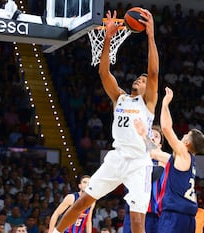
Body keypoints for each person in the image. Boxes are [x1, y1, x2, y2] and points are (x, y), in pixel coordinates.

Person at [53, 8, 159, 233]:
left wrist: (150, 36)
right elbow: (104, 72)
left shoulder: (148, 103)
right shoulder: (119, 98)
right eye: (138, 78)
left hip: (139, 163)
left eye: (143, 80)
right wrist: (108, 37)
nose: (141, 80)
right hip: (117, 157)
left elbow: (153, 73)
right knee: (83, 201)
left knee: (138, 221)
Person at [133, 87, 204, 233]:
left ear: (187, 143)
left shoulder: (183, 152)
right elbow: (155, 153)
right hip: (187, 217)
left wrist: (165, 104)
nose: (183, 136)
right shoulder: (183, 161)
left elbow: (166, 128)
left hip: (175, 215)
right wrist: (143, 134)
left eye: (186, 134)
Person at [123, 126, 165, 233]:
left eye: (156, 136)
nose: (152, 138)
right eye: (150, 135)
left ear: (160, 145)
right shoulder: (135, 158)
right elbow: (149, 177)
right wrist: (161, 166)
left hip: (154, 213)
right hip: (133, 210)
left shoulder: (166, 163)